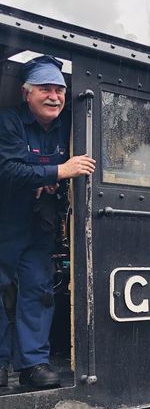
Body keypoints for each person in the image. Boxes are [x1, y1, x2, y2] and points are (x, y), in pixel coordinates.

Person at [0, 55, 95, 388]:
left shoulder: (69, 125)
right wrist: (57, 171)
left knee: (39, 290)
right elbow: (7, 170)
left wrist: (48, 179)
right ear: (27, 94)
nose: (54, 96)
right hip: (4, 219)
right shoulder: (8, 123)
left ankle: (33, 364)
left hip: (39, 223)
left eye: (59, 89)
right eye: (45, 89)